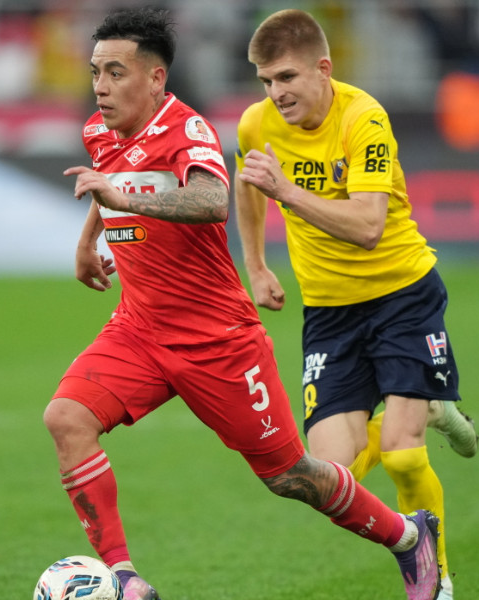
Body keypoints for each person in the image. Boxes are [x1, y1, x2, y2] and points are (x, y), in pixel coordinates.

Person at [43, 7, 442, 600]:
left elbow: (211, 200)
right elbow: (111, 177)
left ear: (155, 78)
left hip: (217, 341)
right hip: (139, 329)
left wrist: (122, 198)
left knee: (290, 476)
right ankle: (125, 581)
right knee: (66, 419)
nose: (100, 86)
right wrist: (88, 241)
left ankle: (408, 537)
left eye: (116, 73)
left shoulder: (187, 131)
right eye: (96, 72)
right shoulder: (101, 131)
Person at [234, 9, 479, 600]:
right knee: (324, 480)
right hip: (329, 314)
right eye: (266, 81)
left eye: (287, 77)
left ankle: (437, 580)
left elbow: (369, 226)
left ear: (323, 68)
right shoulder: (257, 123)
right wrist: (257, 265)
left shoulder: (363, 118)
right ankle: (428, 404)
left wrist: (287, 191)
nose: (276, 93)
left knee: (402, 457)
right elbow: (249, 185)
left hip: (402, 296)